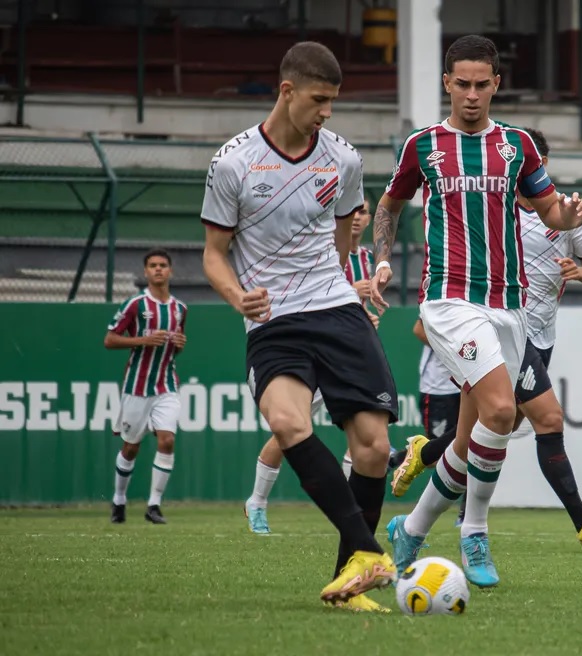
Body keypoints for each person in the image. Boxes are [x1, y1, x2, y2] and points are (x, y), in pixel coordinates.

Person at [369, 35, 582, 588]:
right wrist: (379, 260)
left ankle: (411, 530)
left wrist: (566, 218)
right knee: (499, 411)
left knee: (478, 435)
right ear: (447, 83)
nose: (471, 95)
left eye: (481, 84)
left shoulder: (518, 147)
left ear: (496, 84)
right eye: (461, 84)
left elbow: (548, 213)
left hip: (507, 306)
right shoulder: (424, 146)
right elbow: (390, 203)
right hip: (450, 300)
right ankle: (475, 530)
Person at [200, 41, 396, 608]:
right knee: (287, 423)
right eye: (318, 99)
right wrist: (239, 296)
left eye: (333, 101)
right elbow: (213, 254)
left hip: (335, 309)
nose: (326, 112)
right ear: (286, 91)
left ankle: (351, 577)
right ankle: (367, 549)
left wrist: (346, 283)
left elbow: (342, 238)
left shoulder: (344, 158)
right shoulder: (233, 163)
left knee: (374, 450)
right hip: (273, 321)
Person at [390, 129, 582, 548]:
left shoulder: (566, 214)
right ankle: (580, 521)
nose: (535, 177)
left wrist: (578, 271)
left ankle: (419, 485)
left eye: (541, 169)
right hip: (493, 324)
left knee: (479, 436)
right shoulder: (491, 209)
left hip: (536, 335)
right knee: (547, 418)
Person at [242, 200, 384, 537]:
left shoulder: (367, 261)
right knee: (289, 428)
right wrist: (352, 291)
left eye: (363, 212)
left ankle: (350, 512)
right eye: (352, 210)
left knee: (365, 437)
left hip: (343, 350)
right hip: (304, 345)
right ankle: (257, 502)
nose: (356, 217)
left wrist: (364, 321)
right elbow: (303, 293)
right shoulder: (315, 251)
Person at [106, 248, 187, 525]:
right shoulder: (135, 305)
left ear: (170, 270)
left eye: (163, 265)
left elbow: (174, 350)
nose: (158, 269)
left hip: (167, 384)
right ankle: (119, 500)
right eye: (152, 265)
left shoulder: (179, 309)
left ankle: (154, 505)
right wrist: (142, 340)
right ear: (145, 271)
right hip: (137, 386)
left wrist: (178, 346)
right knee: (131, 447)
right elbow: (110, 339)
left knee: (167, 440)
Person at [388, 318, 462, 502]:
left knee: (471, 442)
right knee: (438, 455)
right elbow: (419, 329)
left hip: (465, 383)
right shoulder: (442, 295)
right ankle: (393, 459)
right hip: (439, 387)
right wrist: (455, 351)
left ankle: (467, 514)